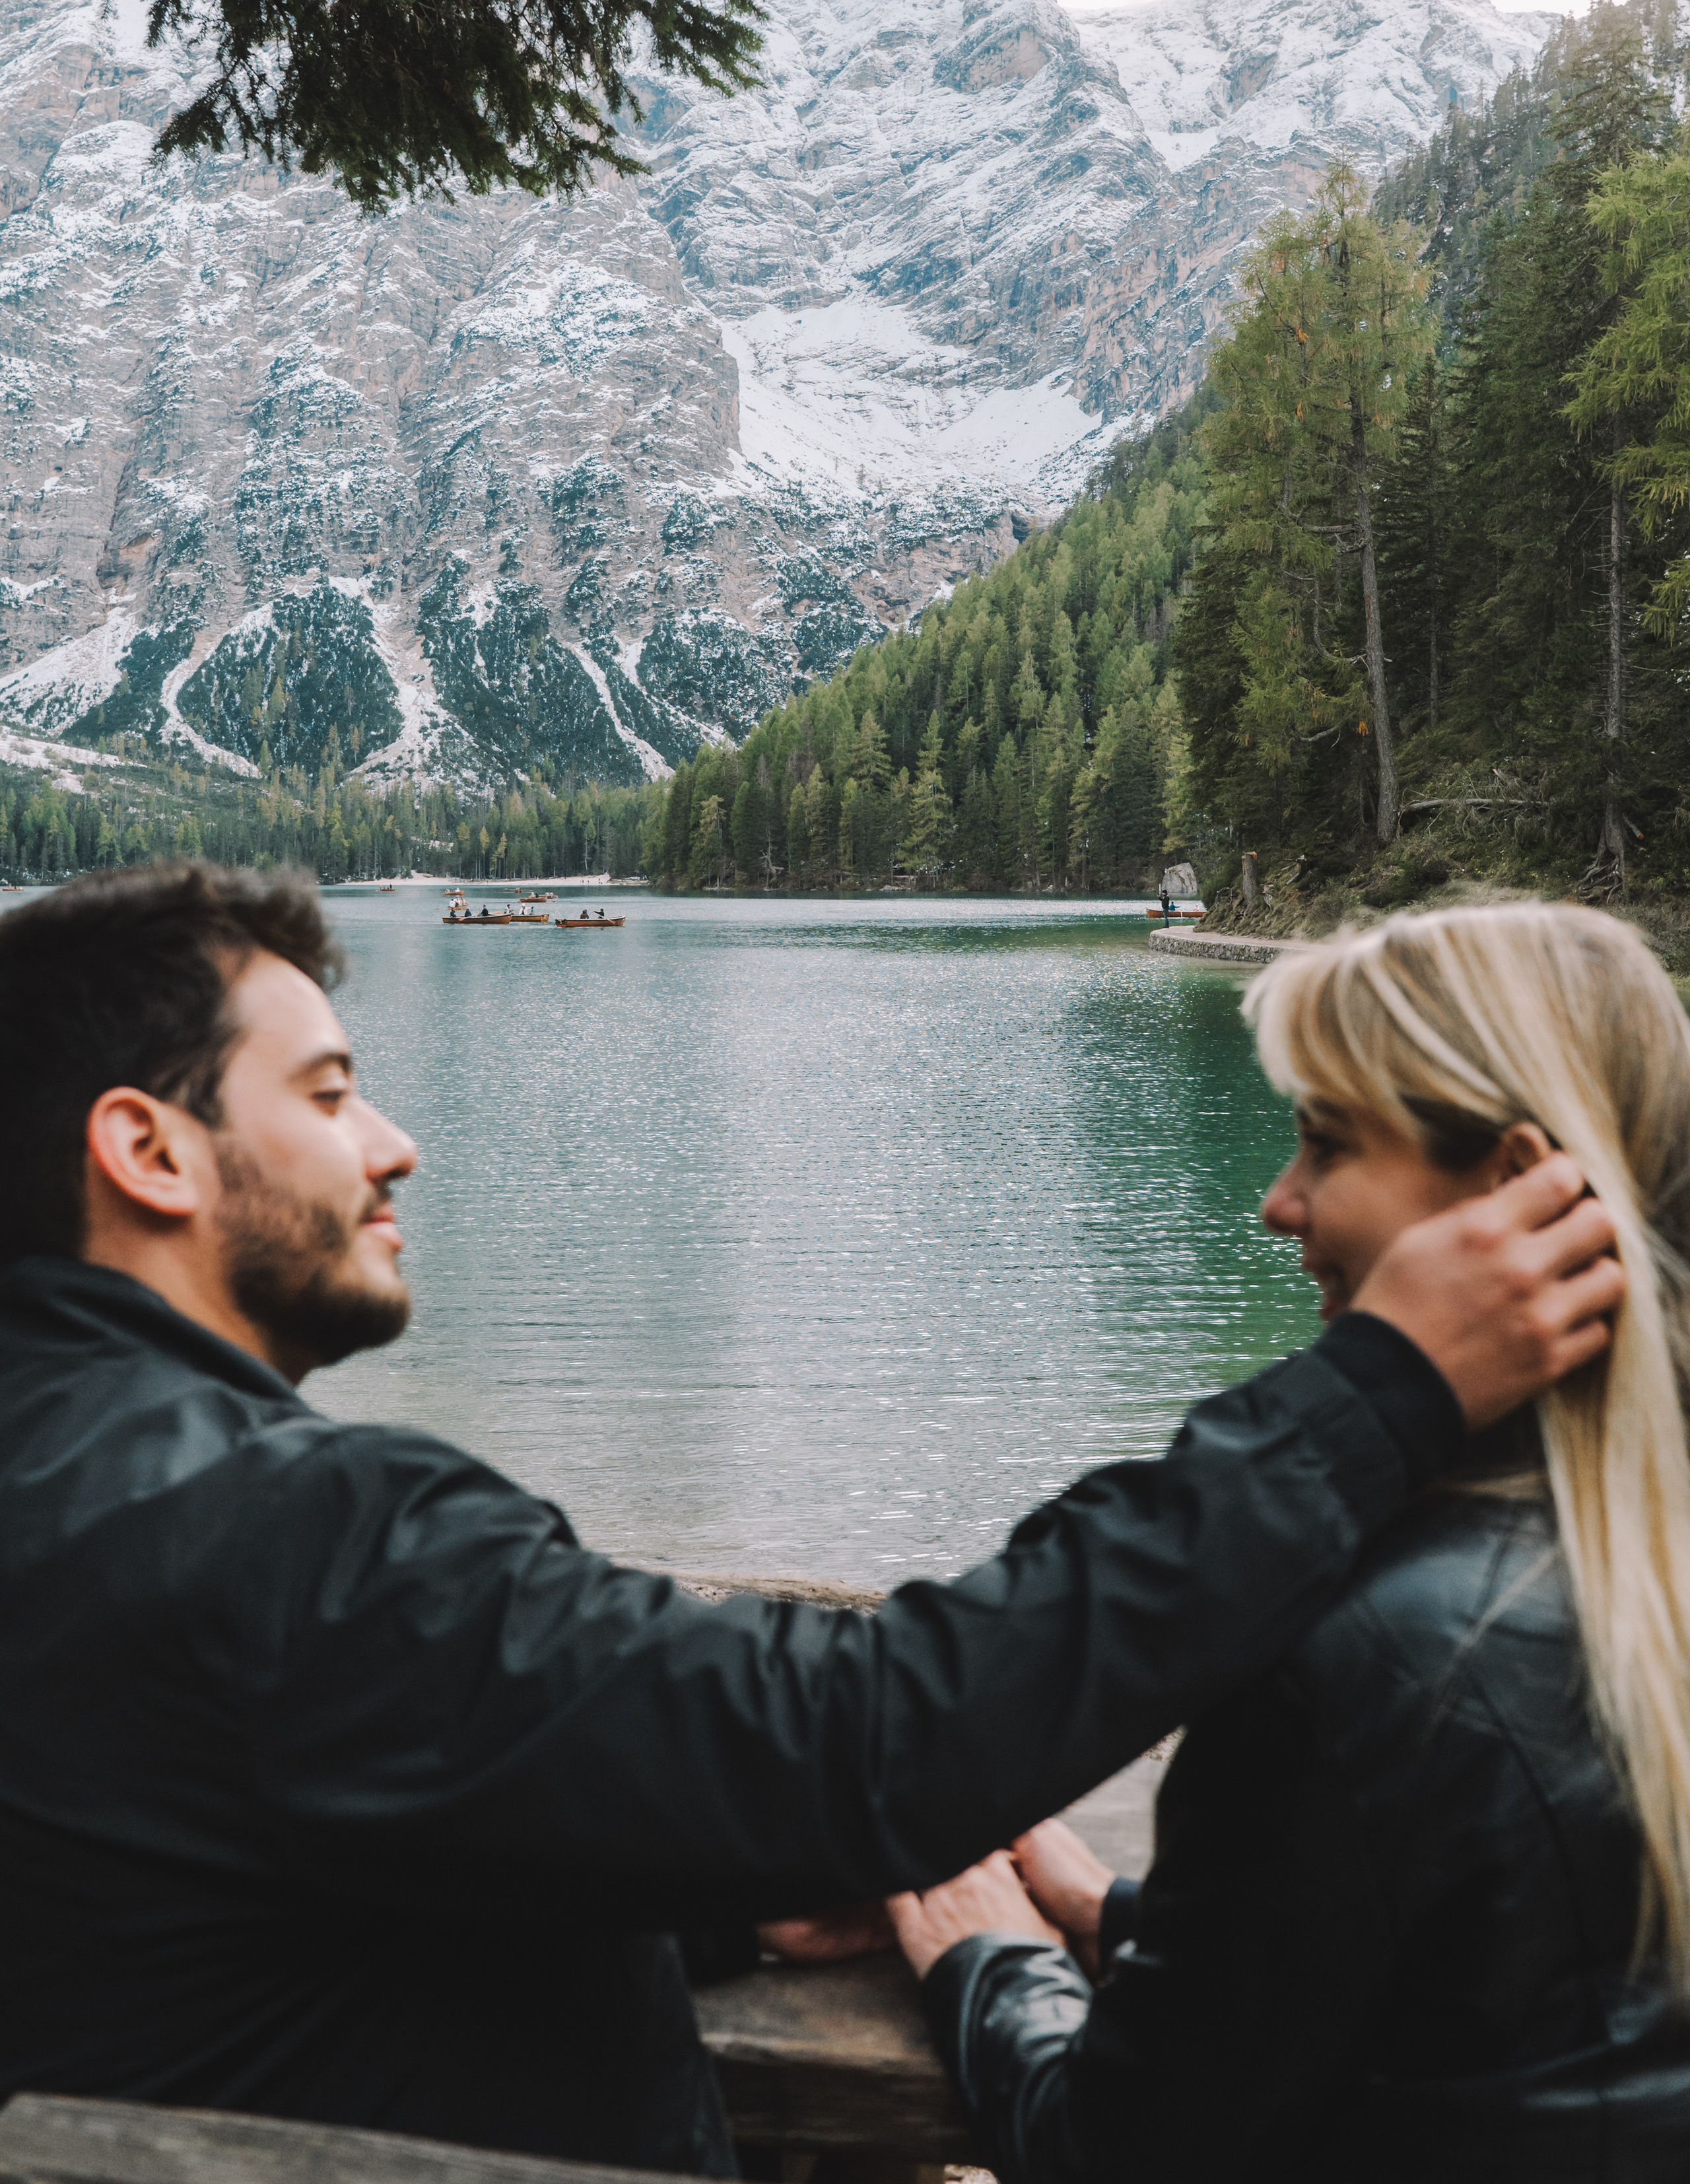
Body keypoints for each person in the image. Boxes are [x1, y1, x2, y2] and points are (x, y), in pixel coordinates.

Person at [0, 868, 1619, 2173]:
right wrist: (1374, 1395)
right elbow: (868, 1739)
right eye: (333, 1091)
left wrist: (704, 1886)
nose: (393, 1144)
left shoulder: (82, 1484)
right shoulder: (282, 1533)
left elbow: (244, 1871)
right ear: (149, 1150)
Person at [891, 901, 1690, 2182]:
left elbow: (1110, 2155)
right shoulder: (1636, 1573)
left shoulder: (1355, 1664)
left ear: (1513, 1187)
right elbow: (1526, 1987)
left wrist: (988, 1958)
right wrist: (1128, 1918)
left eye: (1323, 1144)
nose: (1276, 1204)